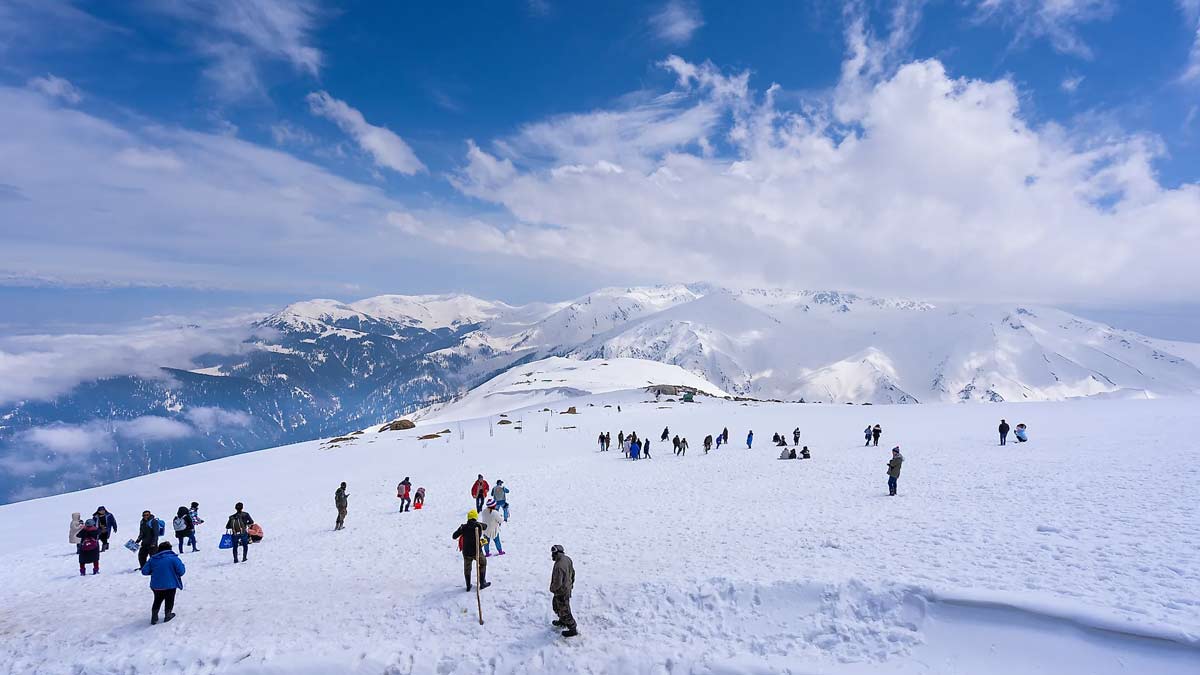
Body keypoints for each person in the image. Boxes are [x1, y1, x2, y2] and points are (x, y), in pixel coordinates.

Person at [141, 541, 185, 625]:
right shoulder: (173, 558)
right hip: (170, 585)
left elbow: (144, 571)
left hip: (156, 585)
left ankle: (154, 616)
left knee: (157, 599)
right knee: (169, 599)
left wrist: (154, 571)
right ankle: (168, 614)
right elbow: (181, 571)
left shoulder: (153, 559)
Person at [451, 510, 490, 591]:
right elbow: (486, 526)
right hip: (477, 551)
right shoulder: (479, 525)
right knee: (483, 563)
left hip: (466, 552)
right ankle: (482, 583)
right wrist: (478, 523)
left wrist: (460, 530)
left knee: (467, 568)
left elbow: (454, 536)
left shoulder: (463, 527)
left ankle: (468, 585)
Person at [549, 544, 577, 637]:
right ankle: (562, 621)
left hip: (561, 592)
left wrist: (552, 588)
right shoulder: (567, 559)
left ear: (557, 553)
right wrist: (571, 583)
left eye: (553, 554)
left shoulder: (559, 566)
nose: (551, 555)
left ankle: (572, 629)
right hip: (566, 588)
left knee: (564, 610)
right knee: (557, 607)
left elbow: (557, 583)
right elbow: (573, 572)